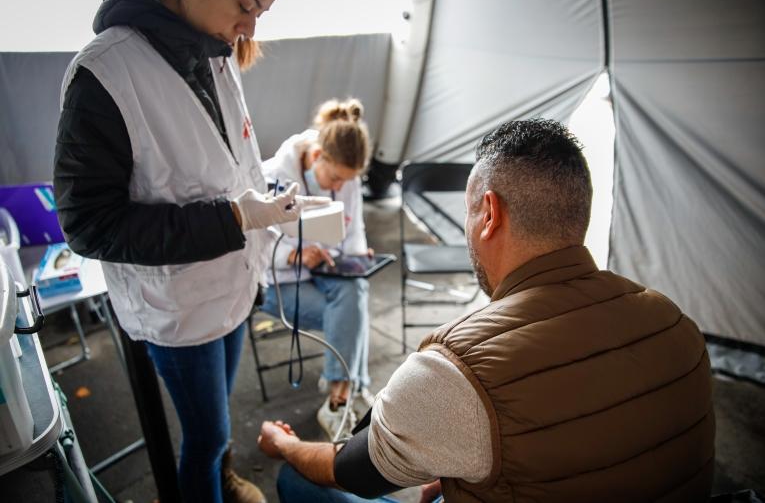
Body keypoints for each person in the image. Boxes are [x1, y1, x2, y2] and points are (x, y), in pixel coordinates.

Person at [257, 119, 716, 503]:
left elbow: (350, 469)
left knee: (297, 477)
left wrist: (288, 444)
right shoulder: (677, 324)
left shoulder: (454, 369)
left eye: (468, 214)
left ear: (490, 214)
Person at [53, 0, 327, 502]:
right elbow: (88, 224)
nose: (248, 28)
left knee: (216, 416)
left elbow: (223, 164)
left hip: (233, 282)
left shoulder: (215, 51)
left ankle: (220, 476)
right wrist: (235, 218)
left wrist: (266, 203)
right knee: (205, 436)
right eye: (245, 4)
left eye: (260, 14)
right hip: (179, 306)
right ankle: (206, 481)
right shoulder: (105, 73)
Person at [260, 98, 375, 438]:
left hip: (329, 273)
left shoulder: (346, 176)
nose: (340, 188)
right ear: (315, 158)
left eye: (348, 182)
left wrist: (357, 258)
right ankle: (346, 395)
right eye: (336, 179)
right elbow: (252, 251)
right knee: (351, 309)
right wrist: (294, 256)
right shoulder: (271, 178)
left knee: (356, 288)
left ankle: (338, 400)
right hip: (279, 280)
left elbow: (353, 231)